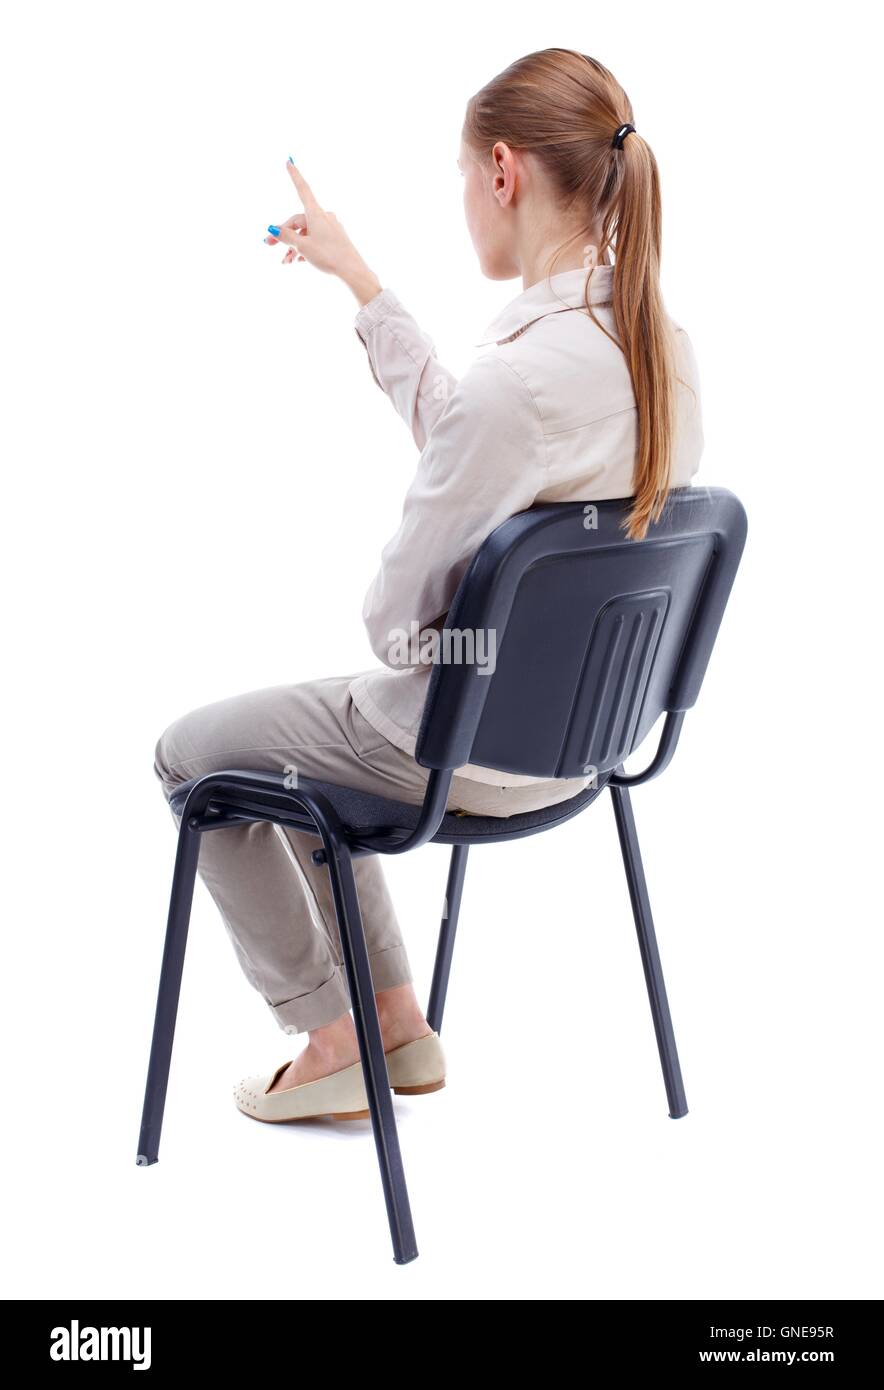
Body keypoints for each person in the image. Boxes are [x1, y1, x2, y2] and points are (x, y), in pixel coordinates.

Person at [153, 47, 704, 1124]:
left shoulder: (519, 381)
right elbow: (490, 445)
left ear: (502, 170)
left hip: (463, 751)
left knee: (193, 755)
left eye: (461, 174)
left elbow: (398, 624)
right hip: (593, 750)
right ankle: (396, 1028)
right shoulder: (662, 351)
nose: (464, 197)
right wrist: (362, 284)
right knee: (319, 732)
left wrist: (452, 647)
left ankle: (331, 1031)